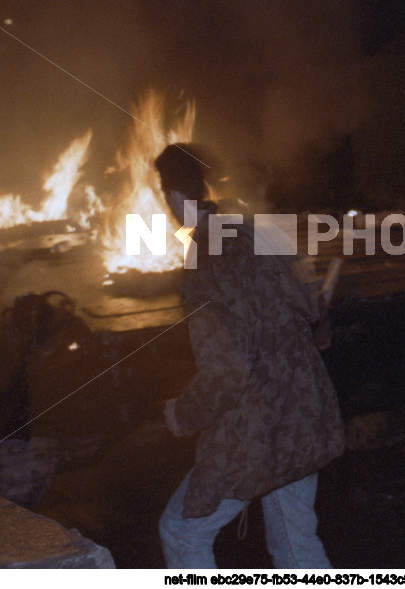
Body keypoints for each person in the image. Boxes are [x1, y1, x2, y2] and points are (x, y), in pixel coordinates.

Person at [154, 143, 345, 569]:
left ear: (175, 196)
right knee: (296, 542)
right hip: (304, 414)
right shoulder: (257, 231)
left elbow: (227, 372)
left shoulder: (205, 257)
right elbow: (314, 309)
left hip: (258, 433)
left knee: (182, 530)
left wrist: (182, 414)